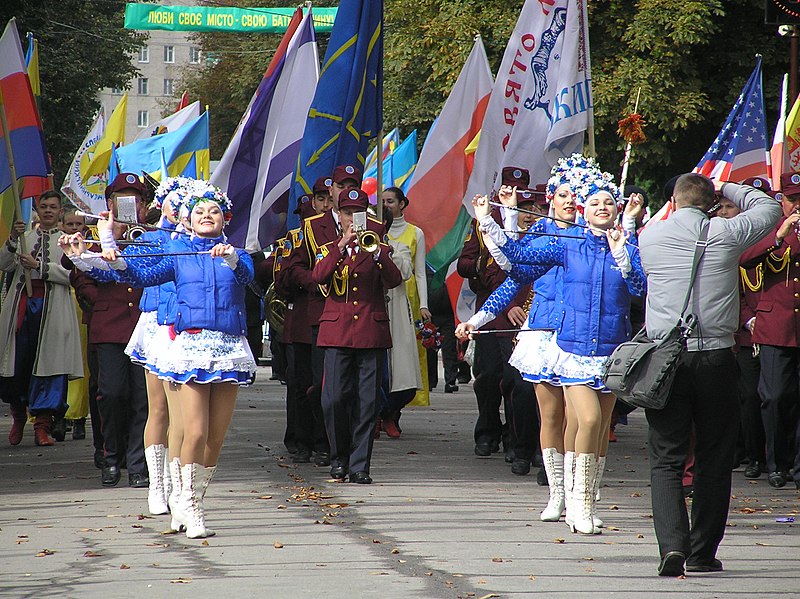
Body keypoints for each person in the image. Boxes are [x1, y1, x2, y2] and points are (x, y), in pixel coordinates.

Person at [460, 154, 646, 536]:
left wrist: (625, 237)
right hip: (556, 339)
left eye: (603, 201)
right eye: (566, 195)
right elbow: (515, 270)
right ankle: (562, 495)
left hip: (606, 344)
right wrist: (498, 220)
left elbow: (639, 288)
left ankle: (585, 496)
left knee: (591, 423)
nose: (571, 201)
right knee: (557, 417)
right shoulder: (556, 240)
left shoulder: (612, 242)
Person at [67, 179, 256, 538]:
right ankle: (185, 502)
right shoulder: (176, 254)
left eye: (213, 211)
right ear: (186, 219)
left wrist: (232, 258)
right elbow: (139, 274)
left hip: (229, 350)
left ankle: (189, 500)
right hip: (188, 349)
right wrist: (105, 242)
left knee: (215, 437)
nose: (206, 216)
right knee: (193, 429)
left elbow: (249, 276)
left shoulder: (237, 254)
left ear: (224, 218)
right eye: (198, 211)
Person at [638, 173, 779, 576]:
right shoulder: (725, 233)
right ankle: (701, 552)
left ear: (675, 201)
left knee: (666, 457)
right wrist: (728, 186)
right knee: (714, 458)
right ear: (710, 203)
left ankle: (671, 547)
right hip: (716, 357)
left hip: (667, 359)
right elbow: (769, 209)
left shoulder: (650, 237)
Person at [312, 188, 403, 483]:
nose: (353, 218)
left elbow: (394, 280)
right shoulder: (329, 248)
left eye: (358, 212)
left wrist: (376, 253)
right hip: (336, 333)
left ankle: (360, 465)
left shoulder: (380, 246)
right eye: (348, 212)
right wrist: (341, 246)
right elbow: (318, 277)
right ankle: (339, 457)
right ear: (340, 215)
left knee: (367, 403)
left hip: (370, 333)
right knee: (334, 400)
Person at [287, 166, 364, 467]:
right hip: (322, 315)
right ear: (331, 190)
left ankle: (344, 447)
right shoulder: (312, 226)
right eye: (341, 185)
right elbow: (294, 268)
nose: (345, 189)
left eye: (352, 185)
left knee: (353, 388)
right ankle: (321, 441)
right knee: (322, 384)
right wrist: (317, 281)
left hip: (357, 316)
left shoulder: (369, 225)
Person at [457, 167, 531, 458]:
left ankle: (516, 436)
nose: (511, 194)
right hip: (492, 307)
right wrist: (482, 268)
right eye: (508, 188)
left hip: (523, 308)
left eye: (518, 190)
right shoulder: (481, 221)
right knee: (488, 375)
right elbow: (465, 263)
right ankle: (487, 430)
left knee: (516, 378)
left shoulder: (532, 225)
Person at [0, 190, 83, 446]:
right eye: (44, 206)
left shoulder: (70, 243)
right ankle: (18, 416)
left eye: (53, 207)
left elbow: (73, 276)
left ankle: (42, 425)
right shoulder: (25, 238)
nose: (48, 210)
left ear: (60, 211)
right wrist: (13, 239)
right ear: (37, 208)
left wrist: (40, 268)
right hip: (22, 308)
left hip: (53, 308)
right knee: (17, 365)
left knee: (49, 369)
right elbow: (4, 263)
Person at [739, 172, 800, 491]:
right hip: (775, 327)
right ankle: (777, 463)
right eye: (792, 200)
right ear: (782, 202)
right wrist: (780, 234)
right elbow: (746, 260)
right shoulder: (770, 231)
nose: (797, 206)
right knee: (774, 397)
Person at [380, 186, 428, 435]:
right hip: (374, 310)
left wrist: (424, 304)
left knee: (404, 368)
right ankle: (377, 414)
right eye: (382, 202)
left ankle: (391, 413)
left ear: (401, 203)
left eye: (390, 201)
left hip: (402, 305)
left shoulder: (413, 234)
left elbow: (415, 272)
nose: (386, 205)